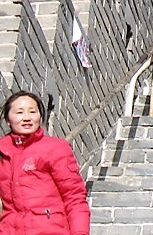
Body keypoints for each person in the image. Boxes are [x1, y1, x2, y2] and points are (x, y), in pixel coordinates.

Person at [0, 91, 91, 234]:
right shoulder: (3, 152)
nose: (27, 118)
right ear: (7, 120)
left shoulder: (55, 148)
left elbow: (74, 197)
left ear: (40, 116)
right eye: (19, 112)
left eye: (32, 112)